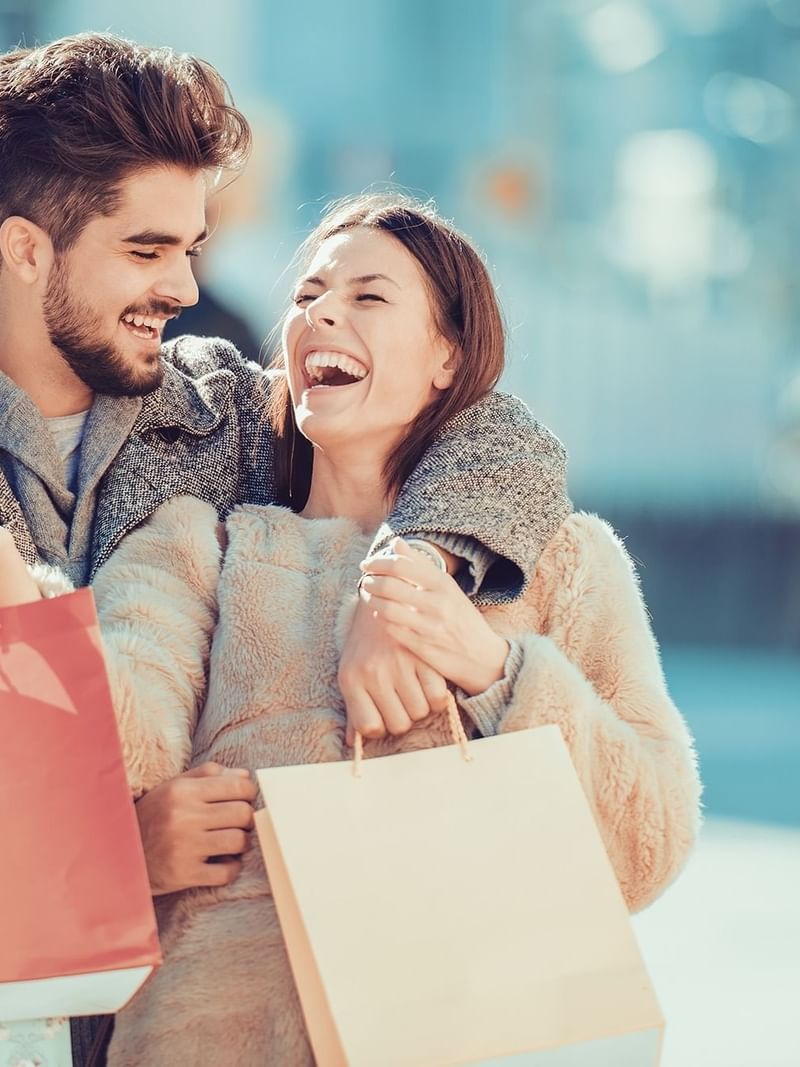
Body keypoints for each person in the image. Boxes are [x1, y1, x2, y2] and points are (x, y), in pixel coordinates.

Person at [7, 193, 701, 1065]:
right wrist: (16, 590)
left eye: (369, 296)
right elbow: (115, 749)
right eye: (307, 296)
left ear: (449, 355)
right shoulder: (196, 549)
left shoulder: (563, 563)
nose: (321, 312)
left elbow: (648, 842)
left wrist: (493, 670)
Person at [0, 32, 571, 1065]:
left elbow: (495, 430)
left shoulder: (216, 412)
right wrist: (115, 859)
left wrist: (409, 572)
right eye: (147, 250)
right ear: (26, 249)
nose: (185, 288)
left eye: (192, 247)